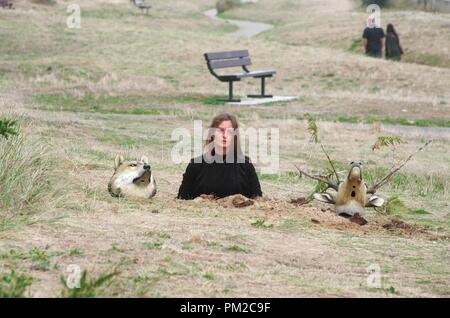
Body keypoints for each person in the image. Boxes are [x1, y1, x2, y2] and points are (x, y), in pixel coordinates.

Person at [177, 113, 262, 200]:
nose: (225, 135)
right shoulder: (196, 164)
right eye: (221, 130)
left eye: (229, 132)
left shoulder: (245, 164)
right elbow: (181, 199)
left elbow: (258, 199)